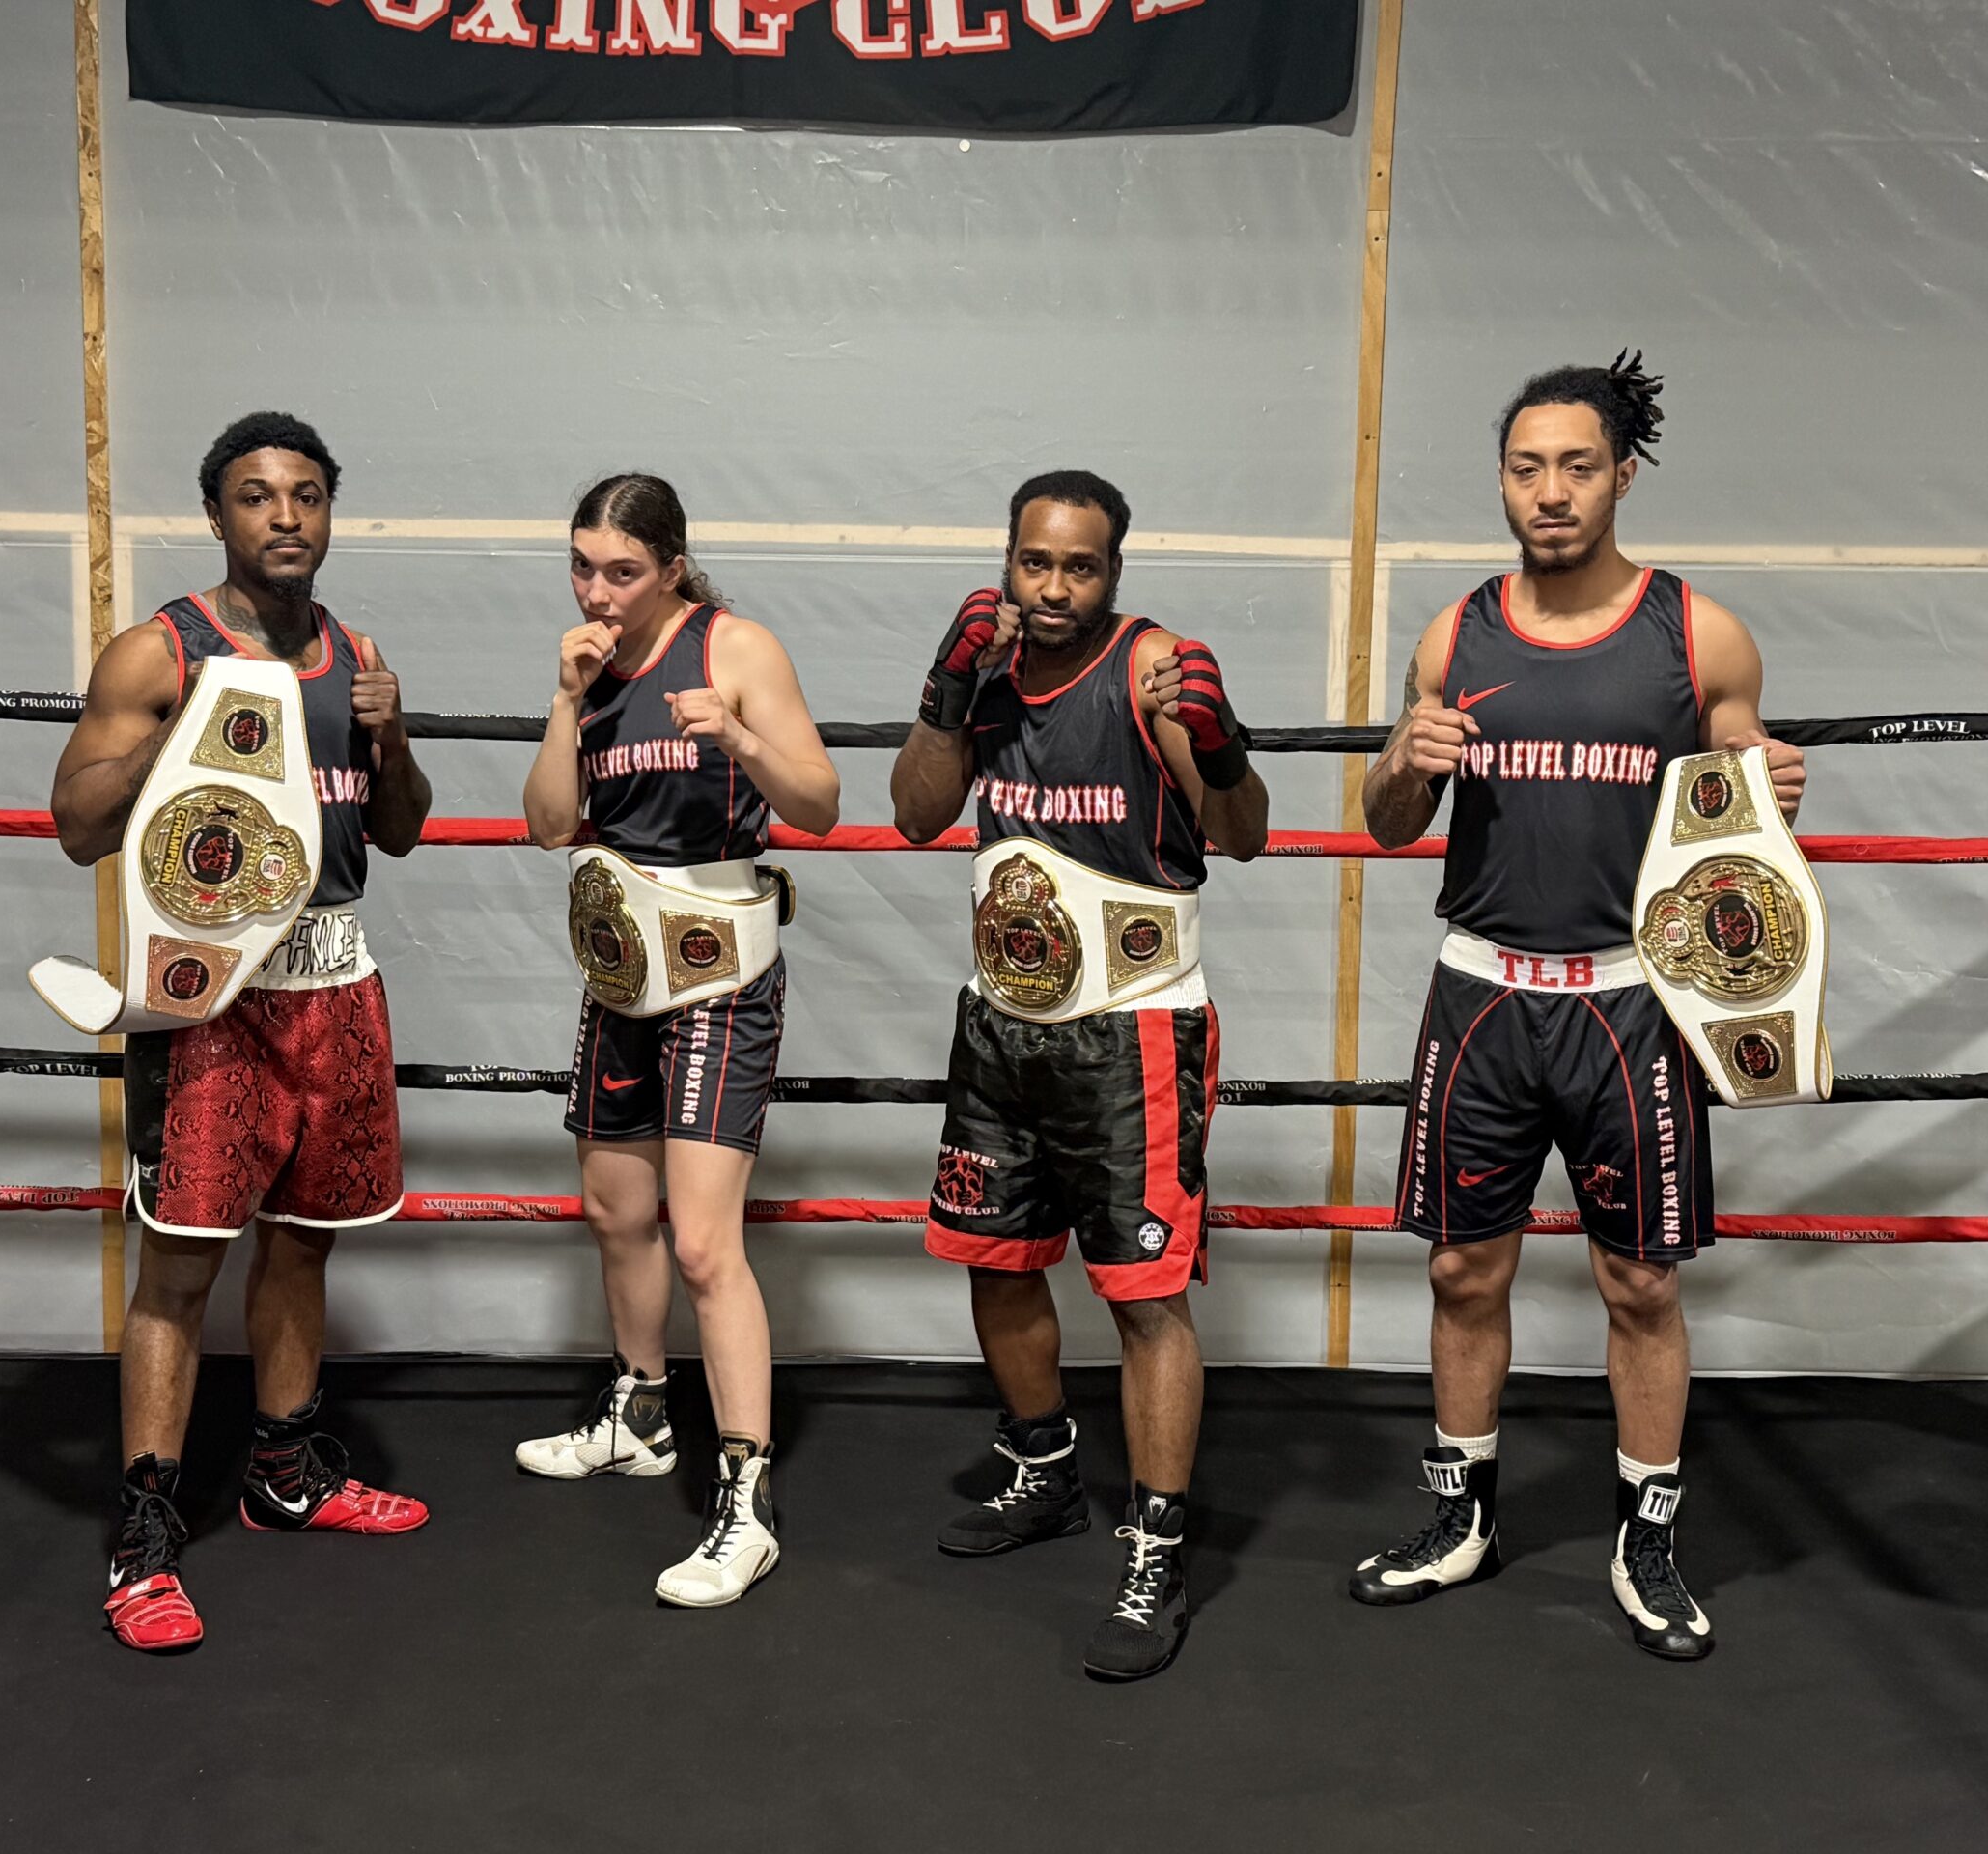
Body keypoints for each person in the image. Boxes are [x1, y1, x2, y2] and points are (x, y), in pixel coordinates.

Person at [1346, 353, 1806, 1660]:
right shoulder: (1456, 635)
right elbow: (1388, 825)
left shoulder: (1699, 636)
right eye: (1526, 467)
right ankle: (1462, 1519)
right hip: (1482, 995)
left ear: (1623, 476)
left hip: (1628, 1002)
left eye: (1577, 467)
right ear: (1503, 480)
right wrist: (1404, 760)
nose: (1550, 493)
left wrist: (1771, 790)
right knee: (1460, 1268)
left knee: (1640, 1283)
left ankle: (1646, 1542)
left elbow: (1742, 836)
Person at [49, 411, 434, 1653]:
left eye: (306, 495)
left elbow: (400, 829)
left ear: (329, 513)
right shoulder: (160, 650)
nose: (285, 516)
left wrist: (391, 734)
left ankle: (286, 1473)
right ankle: (144, 1532)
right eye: (258, 496)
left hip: (334, 980)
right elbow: (76, 822)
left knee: (306, 1242)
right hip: (208, 993)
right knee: (180, 1264)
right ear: (217, 515)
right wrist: (181, 729)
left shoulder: (355, 653)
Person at [890, 470, 1269, 1681]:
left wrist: (1218, 742)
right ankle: (1044, 1469)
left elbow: (1243, 835)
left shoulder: (1152, 669)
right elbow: (914, 814)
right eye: (1035, 562)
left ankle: (1153, 1548)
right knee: (995, 1257)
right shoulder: (989, 669)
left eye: (1080, 566)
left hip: (1132, 1030)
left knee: (1143, 1295)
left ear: (1114, 570)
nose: (1053, 588)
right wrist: (945, 693)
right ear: (1008, 559)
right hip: (1002, 1023)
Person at [517, 472, 841, 1608]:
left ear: (671, 567)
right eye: (582, 567)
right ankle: (639, 1415)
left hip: (719, 977)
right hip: (620, 972)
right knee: (615, 1212)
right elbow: (549, 825)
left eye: (622, 571)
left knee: (704, 1245)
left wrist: (741, 736)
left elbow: (819, 803)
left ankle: (747, 1506)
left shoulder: (733, 647)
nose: (597, 592)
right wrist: (566, 701)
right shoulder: (588, 668)